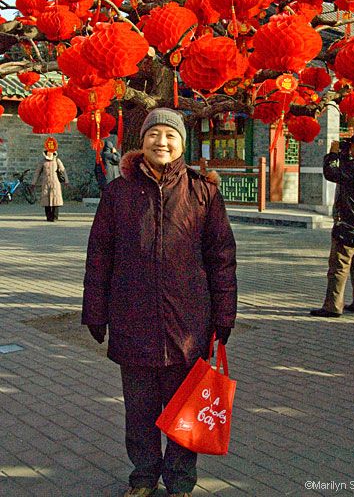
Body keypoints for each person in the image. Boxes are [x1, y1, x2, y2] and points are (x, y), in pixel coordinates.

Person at [82, 108, 237, 497]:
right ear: (142, 141)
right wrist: (96, 312)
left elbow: (221, 257)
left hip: (188, 325)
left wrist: (224, 314)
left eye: (170, 135)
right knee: (139, 412)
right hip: (132, 321)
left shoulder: (203, 192)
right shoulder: (118, 193)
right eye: (154, 134)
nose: (161, 142)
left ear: (182, 142)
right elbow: (99, 255)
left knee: (186, 407)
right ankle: (144, 476)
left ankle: (181, 480)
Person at [311, 130, 354, 318]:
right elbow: (346, 171)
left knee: (339, 265)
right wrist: (343, 154)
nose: (350, 148)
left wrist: (332, 154)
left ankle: (332, 306)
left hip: (349, 223)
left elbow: (331, 173)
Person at [31, 138, 69, 222]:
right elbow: (37, 172)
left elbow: (63, 170)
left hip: (55, 183)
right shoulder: (42, 162)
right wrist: (33, 183)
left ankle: (55, 217)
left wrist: (66, 181)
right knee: (46, 200)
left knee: (56, 200)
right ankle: (48, 216)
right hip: (46, 182)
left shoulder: (57, 160)